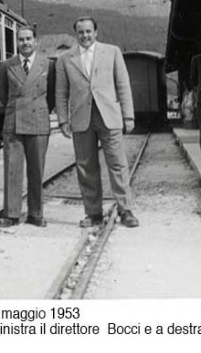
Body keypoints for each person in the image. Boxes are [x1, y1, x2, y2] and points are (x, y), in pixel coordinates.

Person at [56, 16, 139, 228]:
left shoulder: (112, 52)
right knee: (86, 167)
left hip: (109, 116)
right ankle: (93, 213)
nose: (85, 35)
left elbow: (123, 85)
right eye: (81, 32)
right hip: (81, 119)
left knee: (118, 164)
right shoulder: (65, 59)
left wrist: (128, 115)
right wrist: (64, 120)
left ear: (96, 32)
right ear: (76, 34)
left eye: (88, 31)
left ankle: (125, 210)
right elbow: (61, 92)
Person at [0, 26, 55, 227]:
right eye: (21, 39)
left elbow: (53, 96)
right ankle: (11, 214)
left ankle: (36, 214)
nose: (25, 43)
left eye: (29, 39)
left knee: (37, 170)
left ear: (36, 41)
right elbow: (2, 94)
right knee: (12, 170)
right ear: (17, 42)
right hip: (14, 122)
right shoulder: (7, 65)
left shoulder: (48, 64)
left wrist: (39, 110)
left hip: (38, 122)